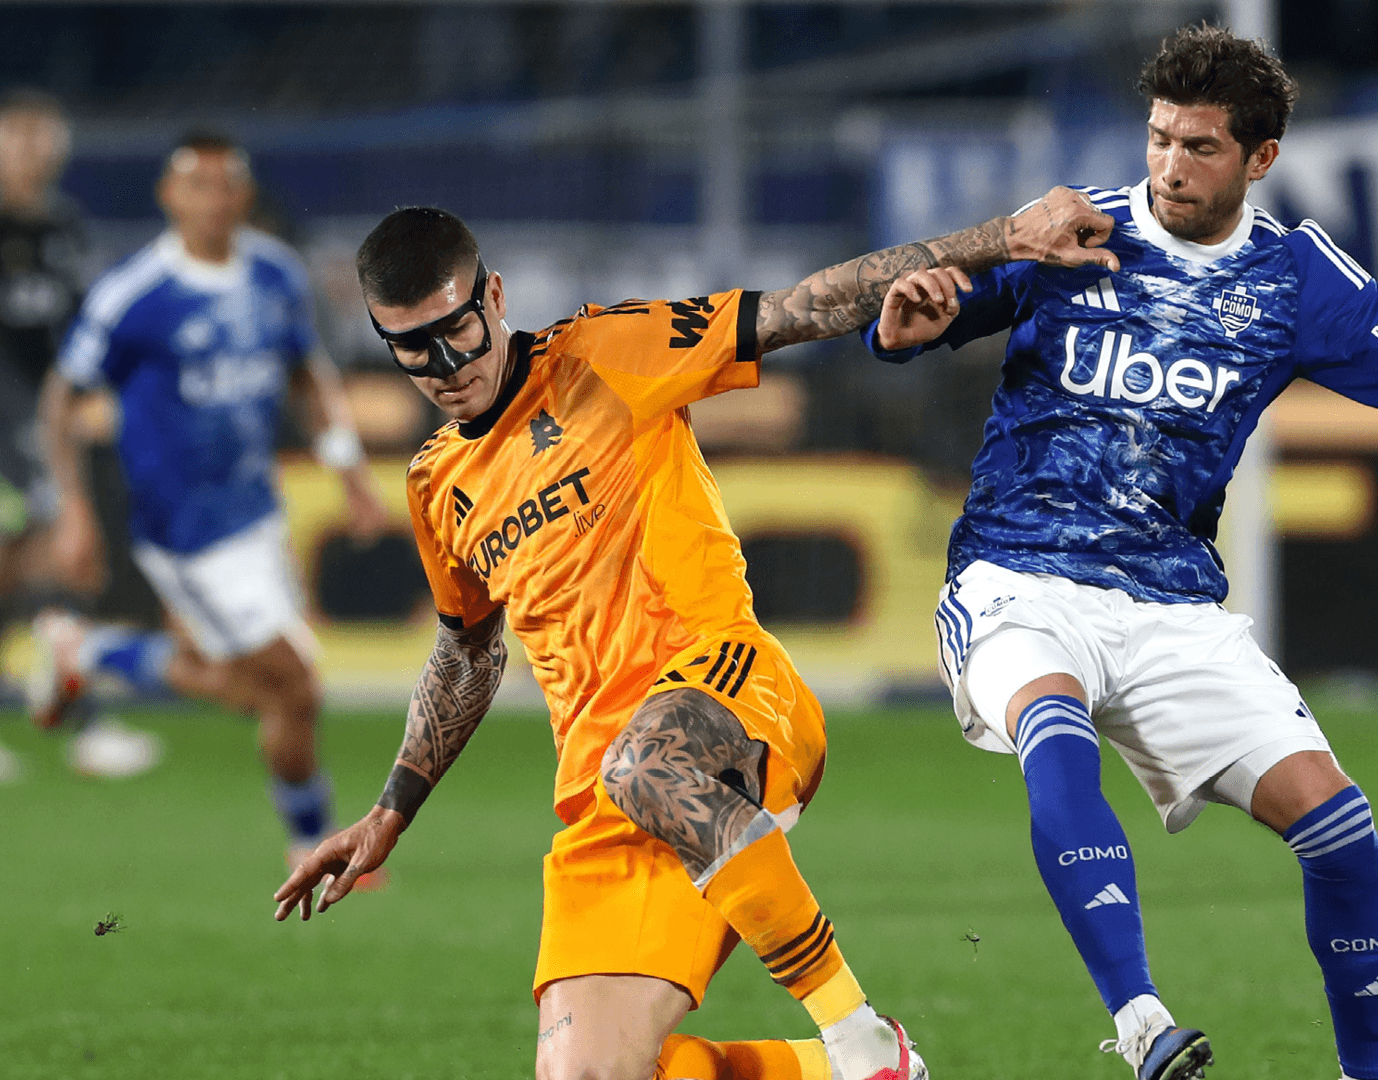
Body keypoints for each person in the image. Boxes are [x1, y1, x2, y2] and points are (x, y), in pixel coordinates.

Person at [270, 195, 1114, 1080]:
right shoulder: (437, 483)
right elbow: (466, 654)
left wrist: (1000, 239)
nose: (447, 364)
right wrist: (390, 811)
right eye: (414, 347)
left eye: (457, 330)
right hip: (601, 794)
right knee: (593, 1076)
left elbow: (802, 307)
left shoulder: (606, 353)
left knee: (645, 764)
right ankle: (862, 1073)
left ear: (495, 297)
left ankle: (855, 1035)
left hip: (725, 690)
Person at [862, 25, 1378, 1080]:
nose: (1170, 165)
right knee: (1054, 731)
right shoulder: (1072, 228)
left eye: (1200, 146)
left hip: (1172, 606)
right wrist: (906, 322)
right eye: (1160, 137)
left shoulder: (1292, 276)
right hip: (1018, 576)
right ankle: (1141, 1023)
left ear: (1260, 158)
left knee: (1339, 825)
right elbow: (922, 315)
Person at [37, 130, 389, 865]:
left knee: (242, 684)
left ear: (244, 194)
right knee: (294, 686)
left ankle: (89, 649)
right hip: (187, 528)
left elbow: (308, 375)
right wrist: (73, 506)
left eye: (226, 184)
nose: (213, 200)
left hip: (258, 510)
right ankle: (311, 845)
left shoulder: (275, 273)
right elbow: (60, 397)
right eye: (196, 185)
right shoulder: (136, 293)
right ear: (168, 196)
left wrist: (350, 473)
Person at [0, 86, 157, 781]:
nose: (33, 153)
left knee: (52, 559)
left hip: (44, 422)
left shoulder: (62, 228)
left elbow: (78, 331)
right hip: (10, 421)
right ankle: (84, 721)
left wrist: (94, 395)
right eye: (19, 138)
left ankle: (82, 718)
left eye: (44, 139)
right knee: (44, 558)